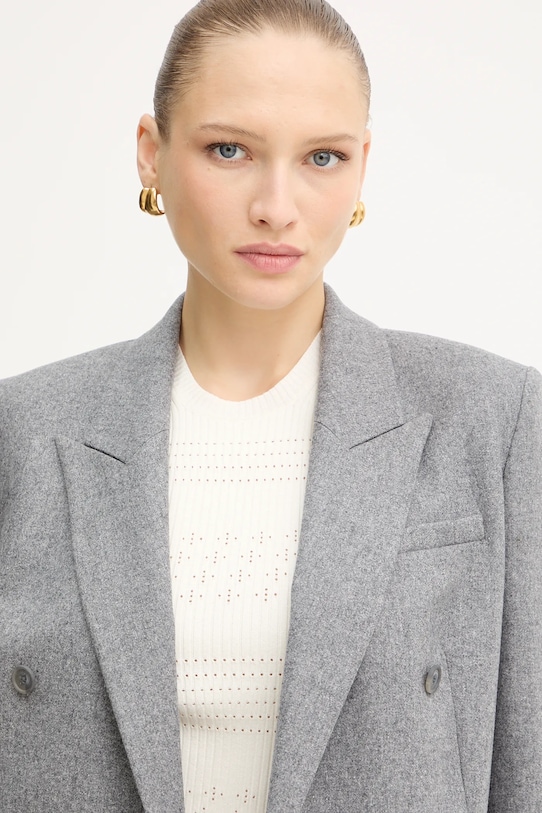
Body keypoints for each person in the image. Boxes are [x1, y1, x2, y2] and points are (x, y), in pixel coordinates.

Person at [1, 0, 541, 811]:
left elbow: (528, 767)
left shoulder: (493, 420)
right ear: (151, 154)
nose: (276, 206)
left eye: (323, 157)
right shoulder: (22, 432)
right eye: (229, 149)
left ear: (362, 165)